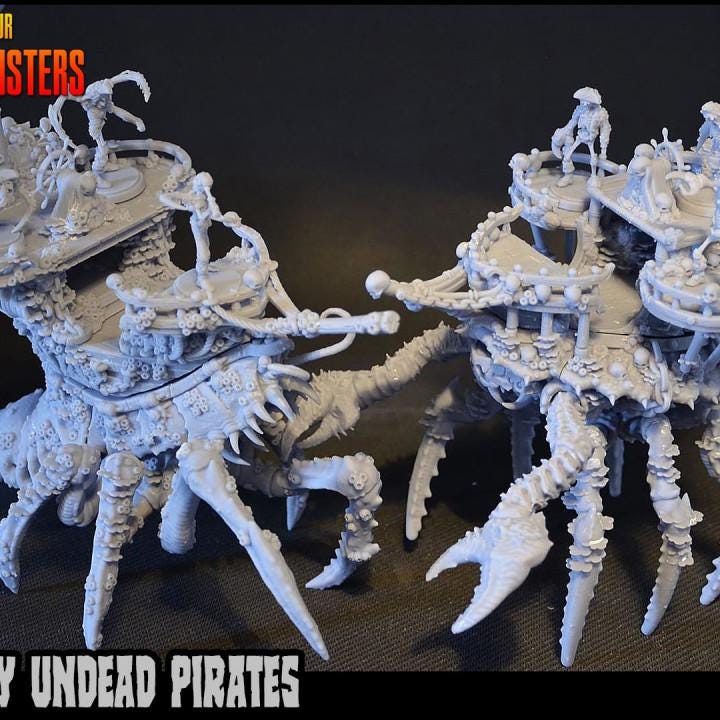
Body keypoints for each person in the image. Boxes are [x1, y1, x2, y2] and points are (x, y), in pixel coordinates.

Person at [552, 87, 611, 187]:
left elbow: (605, 130)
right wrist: (564, 133)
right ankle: (568, 176)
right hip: (580, 136)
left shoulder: (600, 114)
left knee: (593, 159)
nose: (583, 103)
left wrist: (603, 149)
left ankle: (594, 177)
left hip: (591, 139)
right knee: (567, 156)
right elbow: (572, 123)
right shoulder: (581, 109)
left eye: (585, 101)